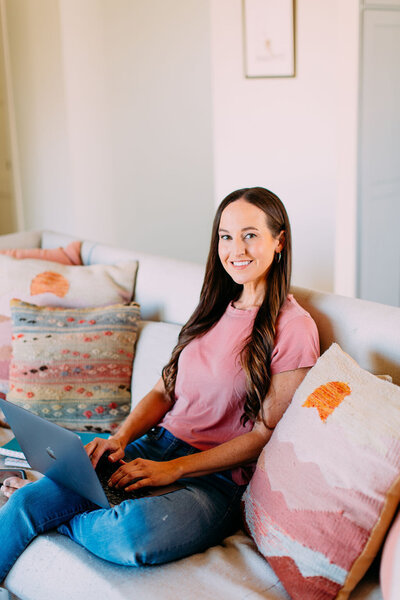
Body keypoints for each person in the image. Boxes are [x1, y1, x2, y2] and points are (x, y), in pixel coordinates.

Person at [0, 186, 319, 580]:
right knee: (26, 503)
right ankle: (49, 513)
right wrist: (120, 438)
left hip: (214, 480)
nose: (236, 248)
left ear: (280, 240)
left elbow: (264, 434)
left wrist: (176, 470)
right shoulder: (213, 306)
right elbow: (163, 391)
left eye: (250, 234)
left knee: (129, 534)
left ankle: (58, 521)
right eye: (226, 236)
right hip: (153, 446)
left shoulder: (294, 327)